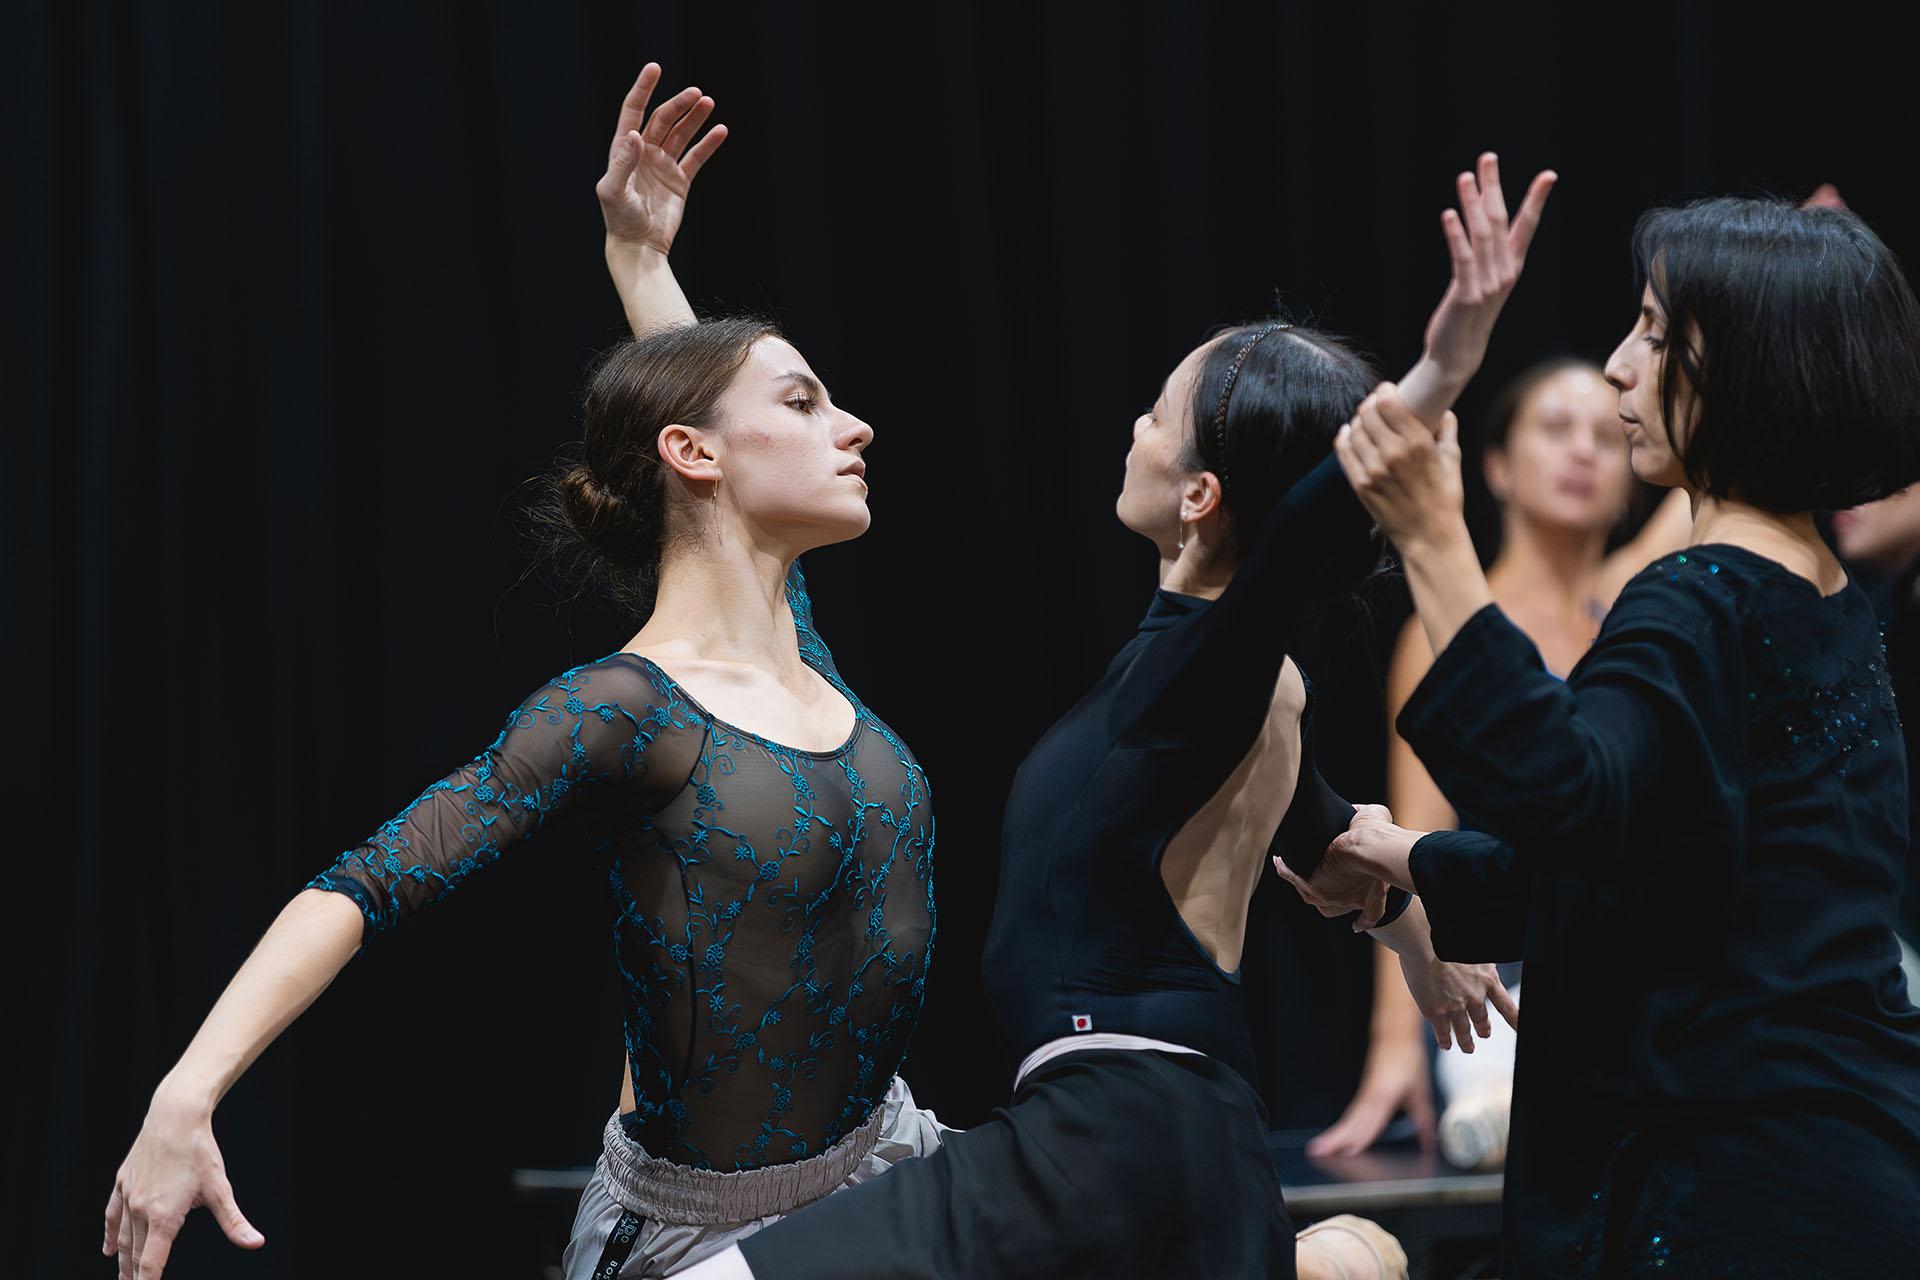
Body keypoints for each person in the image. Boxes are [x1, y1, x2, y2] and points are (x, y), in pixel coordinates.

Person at [103, 70, 945, 1280]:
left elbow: (698, 411)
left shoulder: (798, 645)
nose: (854, 426)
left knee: (1315, 1250)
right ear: (692, 453)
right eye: (808, 402)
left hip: (897, 1169)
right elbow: (365, 883)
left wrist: (643, 265)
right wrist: (185, 1095)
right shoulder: (621, 709)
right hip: (715, 1237)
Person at [658, 153, 1551, 1280]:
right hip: (1176, 1138)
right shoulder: (1251, 689)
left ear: (1200, 494)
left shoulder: (1206, 667)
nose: (1134, 424)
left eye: (1157, 411)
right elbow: (1328, 842)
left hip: (1109, 1138)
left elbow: (1298, 541)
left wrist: (1442, 366)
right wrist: (1415, 937)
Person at [1299, 193, 1920, 1274]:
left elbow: (1566, 800)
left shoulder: (1700, 595)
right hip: (1841, 1164)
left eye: (1654, 333)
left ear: (1748, 371)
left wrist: (1438, 540)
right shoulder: (1817, 593)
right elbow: (1643, 857)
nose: (1621, 366)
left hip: (1735, 1193)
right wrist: (1406, 858)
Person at [1328, 361, 1688, 1167]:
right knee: (1505, 1102)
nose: (1584, 452)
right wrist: (1396, 1045)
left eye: (1606, 434)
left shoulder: (1642, 606)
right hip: (1511, 966)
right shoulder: (1445, 632)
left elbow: (1723, 451)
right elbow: (1408, 840)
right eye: (1555, 430)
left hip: (1642, 964)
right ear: (1494, 466)